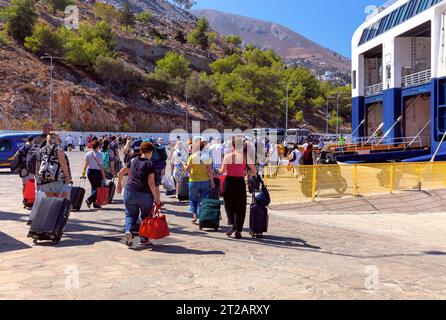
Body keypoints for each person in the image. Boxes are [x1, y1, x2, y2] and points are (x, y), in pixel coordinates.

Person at [117, 142, 161, 247]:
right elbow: (151, 183)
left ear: (141, 151)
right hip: (144, 194)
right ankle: (144, 238)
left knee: (130, 215)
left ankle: (129, 232)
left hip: (129, 191)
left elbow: (121, 173)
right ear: (151, 152)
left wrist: (119, 185)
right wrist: (156, 198)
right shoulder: (150, 164)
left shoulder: (133, 160)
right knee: (146, 216)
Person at [219, 136, 257, 239]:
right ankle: (238, 230)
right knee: (240, 207)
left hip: (229, 182)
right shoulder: (245, 157)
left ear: (233, 145)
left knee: (229, 205)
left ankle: (232, 224)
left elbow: (222, 171)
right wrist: (248, 174)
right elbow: (254, 170)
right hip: (240, 183)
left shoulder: (227, 156)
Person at [184, 138, 215, 224]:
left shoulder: (192, 157)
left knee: (193, 199)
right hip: (205, 180)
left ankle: (194, 214)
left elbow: (187, 169)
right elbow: (210, 171)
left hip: (193, 181)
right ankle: (201, 214)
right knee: (203, 199)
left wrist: (184, 164)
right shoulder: (207, 157)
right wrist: (212, 182)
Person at [36, 132, 72, 199]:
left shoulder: (40, 150)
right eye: (59, 139)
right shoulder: (58, 149)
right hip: (57, 178)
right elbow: (63, 163)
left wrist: (38, 179)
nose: (60, 141)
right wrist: (67, 176)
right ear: (56, 139)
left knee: (51, 202)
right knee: (62, 200)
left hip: (44, 179)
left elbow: (38, 166)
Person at [81, 140, 107, 209]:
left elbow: (86, 164)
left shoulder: (88, 154)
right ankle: (89, 200)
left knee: (93, 187)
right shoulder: (99, 155)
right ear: (98, 146)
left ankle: (96, 204)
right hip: (97, 172)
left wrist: (83, 172)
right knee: (98, 188)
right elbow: (101, 166)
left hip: (90, 172)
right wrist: (104, 176)